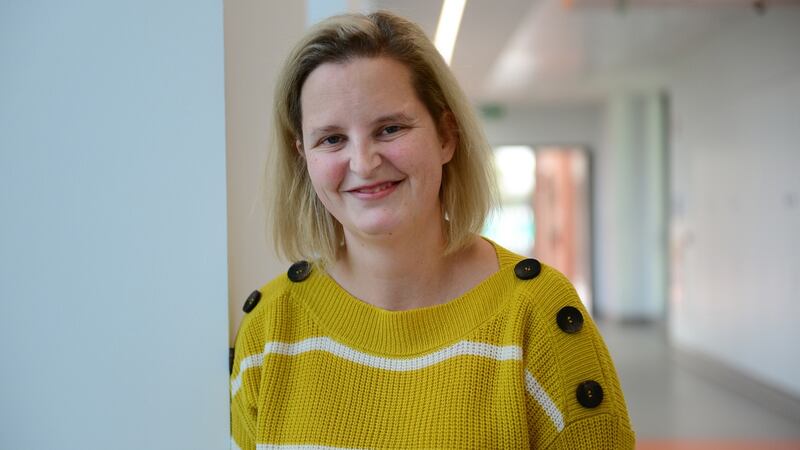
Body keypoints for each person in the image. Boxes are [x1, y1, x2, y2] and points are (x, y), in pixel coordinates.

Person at [230, 11, 634, 449]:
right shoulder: (269, 330)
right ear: (304, 157)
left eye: (390, 129)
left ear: (446, 135)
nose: (363, 163)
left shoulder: (541, 320)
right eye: (331, 139)